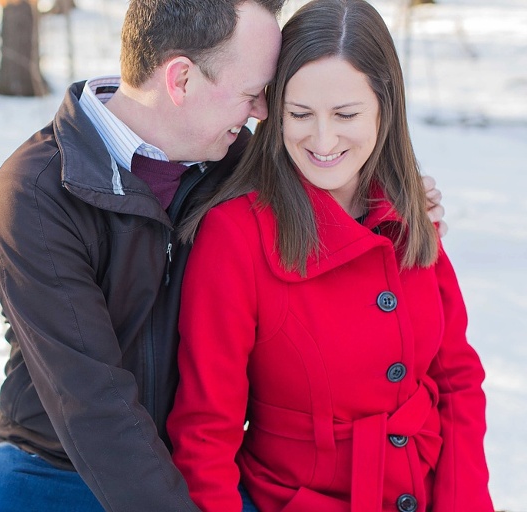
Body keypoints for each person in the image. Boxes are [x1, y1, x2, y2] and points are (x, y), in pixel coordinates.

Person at [0, 1, 446, 511]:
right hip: (58, 460)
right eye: (251, 93)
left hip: (207, 459)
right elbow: (91, 403)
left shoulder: (235, 160)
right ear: (182, 80)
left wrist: (399, 206)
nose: (262, 112)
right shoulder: (39, 191)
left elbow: (335, 194)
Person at [166, 0, 493, 511]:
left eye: (346, 114)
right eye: (300, 114)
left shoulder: (409, 208)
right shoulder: (236, 234)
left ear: (385, 108)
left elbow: (457, 380)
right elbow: (205, 433)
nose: (322, 140)